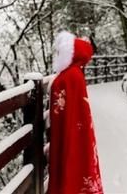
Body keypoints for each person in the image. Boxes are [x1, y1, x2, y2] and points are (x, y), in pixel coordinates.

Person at [48, 31, 104, 194]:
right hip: (76, 131)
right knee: (79, 160)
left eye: (60, 51)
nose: (57, 55)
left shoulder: (69, 77)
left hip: (70, 131)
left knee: (71, 163)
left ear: (69, 54)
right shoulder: (75, 74)